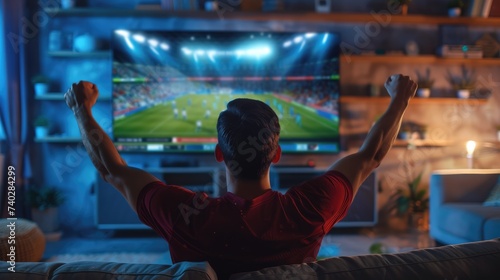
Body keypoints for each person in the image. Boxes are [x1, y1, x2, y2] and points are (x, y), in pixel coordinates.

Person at [64, 74, 417, 279]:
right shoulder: (311, 207)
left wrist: (82, 109)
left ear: (219, 154)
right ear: (276, 154)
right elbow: (370, 156)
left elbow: (113, 170)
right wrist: (399, 99)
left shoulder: (184, 213)